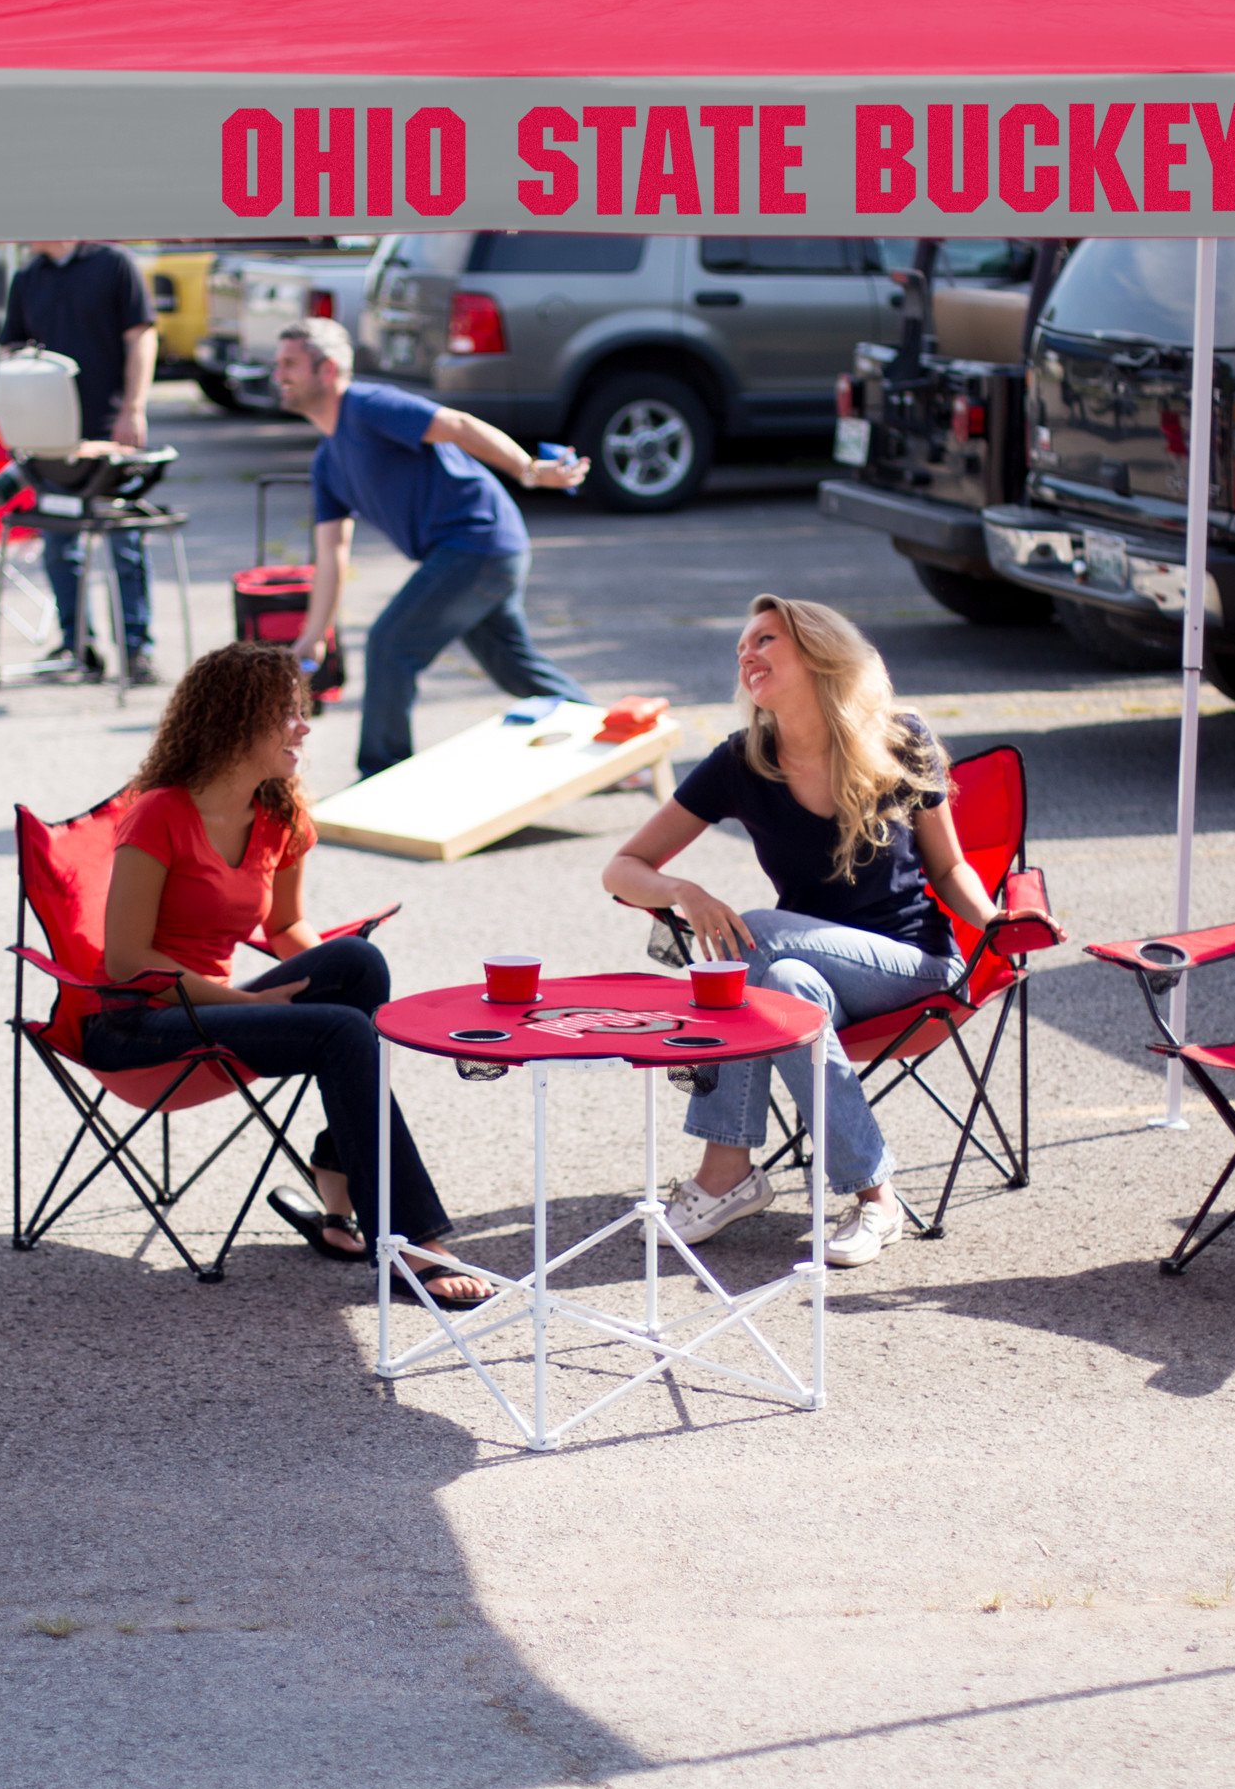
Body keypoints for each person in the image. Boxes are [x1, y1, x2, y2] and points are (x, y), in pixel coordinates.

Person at [603, 594, 998, 1270]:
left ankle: (725, 1171)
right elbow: (622, 868)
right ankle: (876, 1198)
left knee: (755, 939)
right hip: (816, 976)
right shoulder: (745, 760)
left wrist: (999, 928)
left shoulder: (900, 738)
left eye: (765, 640)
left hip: (916, 964)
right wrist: (684, 892)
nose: (746, 654)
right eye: (741, 647)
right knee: (781, 985)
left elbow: (950, 865)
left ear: (818, 652)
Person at [90, 641, 490, 1306]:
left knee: (358, 965)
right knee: (338, 1032)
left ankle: (339, 1184)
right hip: (143, 1023)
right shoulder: (159, 814)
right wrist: (248, 1005)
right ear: (233, 722)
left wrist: (322, 977)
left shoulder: (281, 814)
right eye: (287, 714)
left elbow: (282, 928)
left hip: (221, 1009)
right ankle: (407, 1237)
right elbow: (126, 961)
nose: (303, 727)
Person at [271, 317, 591, 779]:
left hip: (477, 541)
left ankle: (383, 775)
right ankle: (618, 733)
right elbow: (332, 555)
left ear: (328, 369)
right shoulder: (327, 461)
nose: (277, 374)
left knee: (390, 644)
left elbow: (457, 425)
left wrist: (528, 469)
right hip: (477, 552)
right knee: (513, 668)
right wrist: (314, 636)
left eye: (289, 364)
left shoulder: (369, 406)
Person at [1, 239, 159, 684]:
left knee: (124, 545)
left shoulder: (114, 264)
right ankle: (77, 647)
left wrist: (134, 407)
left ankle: (137, 651)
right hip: (52, 440)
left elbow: (142, 338)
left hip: (111, 431)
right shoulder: (28, 277)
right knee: (59, 547)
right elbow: (12, 353)